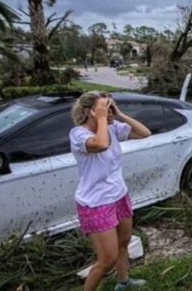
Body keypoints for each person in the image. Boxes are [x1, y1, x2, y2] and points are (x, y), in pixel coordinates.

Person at [69, 92, 151, 291]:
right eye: (104, 107)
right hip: (96, 203)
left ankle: (123, 283)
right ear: (90, 112)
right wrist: (103, 119)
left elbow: (145, 133)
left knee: (124, 242)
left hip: (119, 195)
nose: (109, 111)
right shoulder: (79, 135)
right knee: (106, 260)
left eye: (110, 106)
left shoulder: (112, 127)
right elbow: (101, 144)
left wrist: (119, 114)